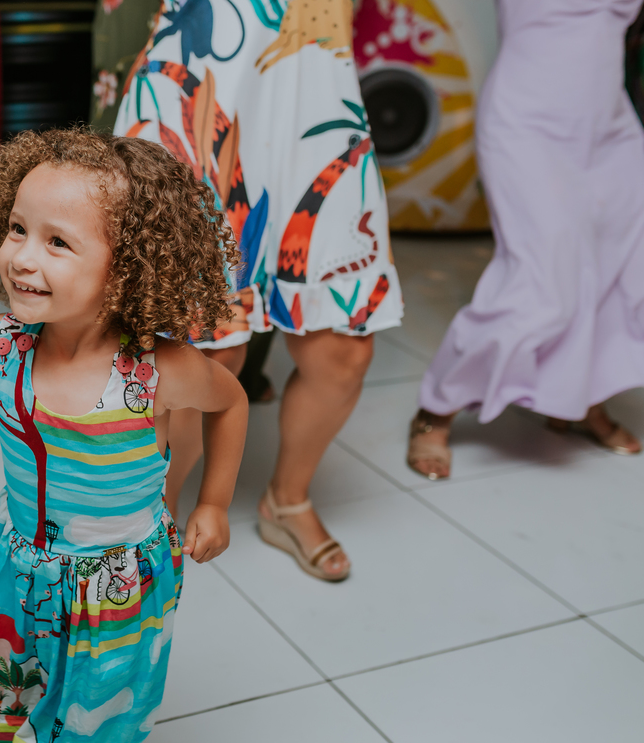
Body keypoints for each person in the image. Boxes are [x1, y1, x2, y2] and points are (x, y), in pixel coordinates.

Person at [0, 130, 249, 743]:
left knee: (91, 714)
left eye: (58, 242)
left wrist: (216, 502)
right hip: (17, 565)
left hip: (117, 591)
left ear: (126, 266)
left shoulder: (154, 373)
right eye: (18, 229)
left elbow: (231, 403)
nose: (22, 257)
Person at [115, 0, 403, 581]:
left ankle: (286, 499)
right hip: (204, 70)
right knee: (200, 346)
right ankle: (145, 523)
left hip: (316, 77)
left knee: (343, 346)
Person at [407, 0, 644, 479]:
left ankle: (577, 399)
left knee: (624, 266)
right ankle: (437, 407)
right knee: (543, 287)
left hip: (610, 128)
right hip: (529, 124)